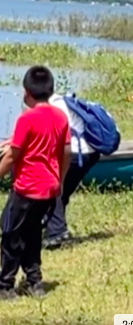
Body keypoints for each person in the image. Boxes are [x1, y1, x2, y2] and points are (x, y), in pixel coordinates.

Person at [0, 65, 71, 302]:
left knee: (11, 234)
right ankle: (34, 282)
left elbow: (12, 156)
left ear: (26, 92)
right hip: (48, 188)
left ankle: (4, 286)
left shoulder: (26, 119)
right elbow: (66, 152)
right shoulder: (60, 117)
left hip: (26, 187)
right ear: (50, 91)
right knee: (33, 234)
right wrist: (59, 180)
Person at [41, 92, 102, 248]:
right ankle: (50, 224)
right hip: (92, 152)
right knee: (63, 191)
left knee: (53, 188)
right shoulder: (66, 101)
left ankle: (57, 233)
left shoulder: (51, 108)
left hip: (75, 153)